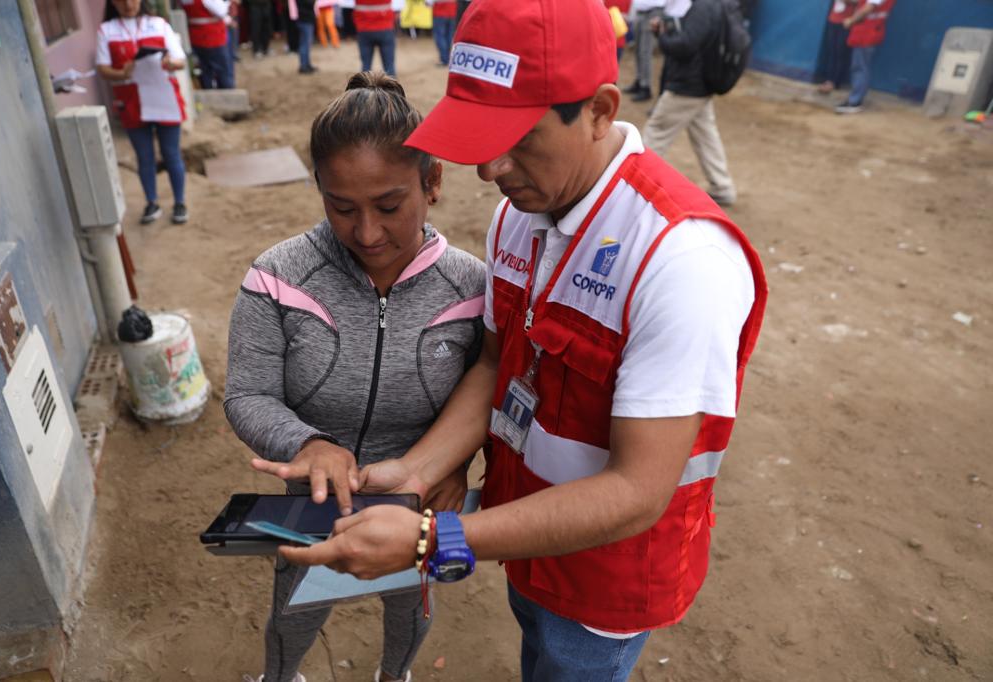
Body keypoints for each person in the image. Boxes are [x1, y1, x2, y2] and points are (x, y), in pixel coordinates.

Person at [263, 1, 767, 680]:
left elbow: (639, 489)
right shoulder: (518, 218)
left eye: (517, 139)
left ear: (598, 108)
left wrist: (432, 537)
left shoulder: (680, 258)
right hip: (525, 542)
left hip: (603, 585)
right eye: (478, 137)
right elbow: (499, 364)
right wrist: (417, 473)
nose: (489, 169)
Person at [225, 72, 486, 682]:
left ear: (434, 182)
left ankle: (394, 676)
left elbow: (489, 390)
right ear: (319, 189)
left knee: (412, 609)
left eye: (390, 206)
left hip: (419, 503)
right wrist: (306, 444)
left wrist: (452, 464)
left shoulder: (474, 289)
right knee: (293, 613)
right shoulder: (277, 279)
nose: (367, 234)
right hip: (315, 504)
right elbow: (248, 393)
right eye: (342, 208)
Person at [96, 0, 189, 225]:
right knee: (144, 157)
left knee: (171, 154)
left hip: (164, 98)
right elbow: (103, 69)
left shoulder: (158, 24)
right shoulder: (107, 30)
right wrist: (122, 73)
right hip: (132, 103)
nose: (128, 4)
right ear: (112, 3)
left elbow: (180, 60)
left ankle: (180, 202)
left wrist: (170, 64)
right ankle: (152, 202)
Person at [641, 0, 738, 206]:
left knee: (656, 131)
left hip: (688, 86)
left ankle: (634, 183)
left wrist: (662, 36)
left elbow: (685, 46)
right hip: (701, 85)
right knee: (706, 136)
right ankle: (723, 187)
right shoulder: (714, 5)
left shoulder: (702, 7)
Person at [835, 0, 895, 114]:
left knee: (860, 67)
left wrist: (851, 21)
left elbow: (868, 8)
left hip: (867, 33)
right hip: (869, 31)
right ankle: (855, 99)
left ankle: (854, 102)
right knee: (860, 66)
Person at [180, 0, 235, 88]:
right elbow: (221, 11)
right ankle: (227, 92)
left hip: (195, 36)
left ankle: (207, 88)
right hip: (213, 36)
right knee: (222, 70)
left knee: (205, 69)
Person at [623, 0, 664, 102]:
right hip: (640, 12)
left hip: (653, 12)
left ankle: (645, 87)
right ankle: (639, 80)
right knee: (638, 50)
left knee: (645, 52)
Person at [818, 0, 855, 94]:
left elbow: (861, 2)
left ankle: (835, 82)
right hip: (833, 19)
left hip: (847, 21)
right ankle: (829, 80)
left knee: (840, 52)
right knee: (832, 51)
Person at [353, 0, 396, 76]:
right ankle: (391, 86)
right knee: (389, 67)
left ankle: (364, 86)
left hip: (364, 30)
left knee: (366, 67)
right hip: (385, 28)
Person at [291, 0, 317, 73]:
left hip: (305, 19)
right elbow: (310, 3)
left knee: (306, 44)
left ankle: (307, 64)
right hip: (305, 20)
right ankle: (303, 66)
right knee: (305, 44)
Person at [428, 0, 456, 66]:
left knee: (440, 36)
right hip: (452, 12)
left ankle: (444, 59)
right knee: (449, 37)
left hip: (440, 13)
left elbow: (428, 2)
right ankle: (448, 57)